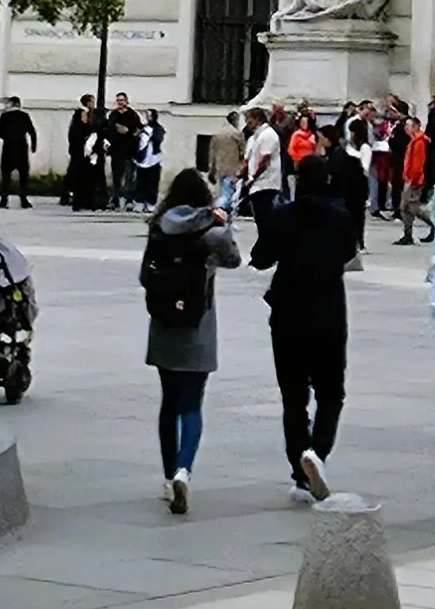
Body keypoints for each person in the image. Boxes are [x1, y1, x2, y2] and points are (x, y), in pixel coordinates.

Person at [254, 148, 363, 500]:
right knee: (331, 392)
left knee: (293, 397)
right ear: (328, 180)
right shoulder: (341, 217)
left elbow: (261, 256)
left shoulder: (283, 215)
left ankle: (299, 466)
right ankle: (318, 451)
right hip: (328, 311)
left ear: (298, 181)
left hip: (289, 312)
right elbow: (349, 253)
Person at [137, 167, 244, 515]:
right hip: (199, 323)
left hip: (164, 324)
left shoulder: (159, 228)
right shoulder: (210, 231)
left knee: (168, 402)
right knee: (192, 404)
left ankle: (169, 477)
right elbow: (234, 259)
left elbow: (144, 275)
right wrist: (221, 224)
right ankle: (185, 468)